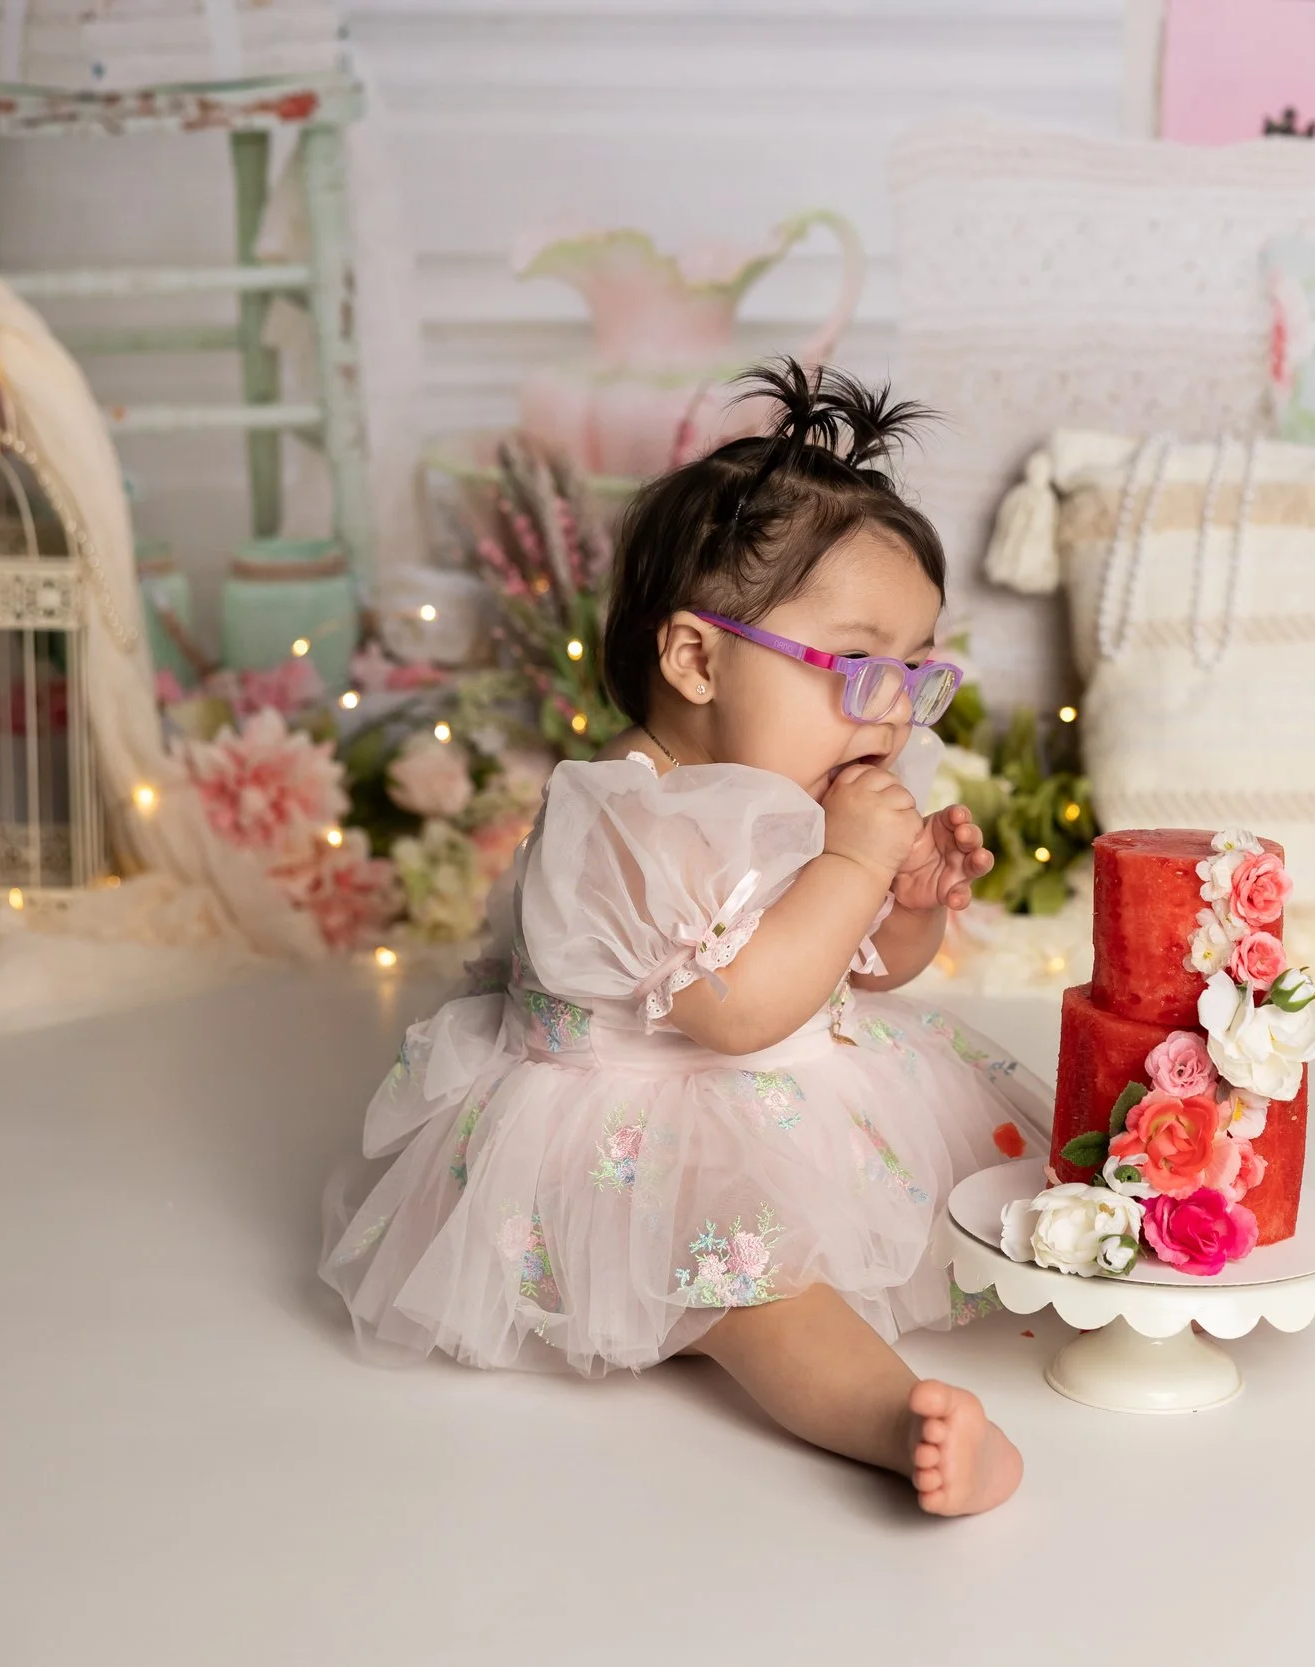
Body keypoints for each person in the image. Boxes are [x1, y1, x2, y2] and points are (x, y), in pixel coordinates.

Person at [321, 360, 1039, 1515]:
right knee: (757, 1286)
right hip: (629, 1128)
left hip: (791, 1094)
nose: (895, 709)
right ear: (696, 658)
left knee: (989, 1193)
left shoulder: (802, 771)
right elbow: (739, 1010)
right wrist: (851, 864)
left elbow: (854, 978)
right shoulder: (615, 817)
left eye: (916, 670)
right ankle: (890, 1418)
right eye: (857, 667)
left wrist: (903, 902)